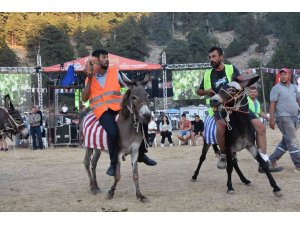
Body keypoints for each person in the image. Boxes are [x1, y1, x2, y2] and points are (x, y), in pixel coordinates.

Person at [82, 49, 156, 176]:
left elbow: (130, 85)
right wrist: (89, 78)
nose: (107, 59)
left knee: (142, 119)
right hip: (102, 111)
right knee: (113, 132)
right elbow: (84, 98)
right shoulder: (89, 78)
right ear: (95, 61)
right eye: (103, 57)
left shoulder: (115, 73)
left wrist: (140, 86)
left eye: (107, 57)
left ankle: (142, 153)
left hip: (118, 107)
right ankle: (113, 163)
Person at [197, 46, 248, 169]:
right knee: (221, 126)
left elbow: (240, 83)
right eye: (209, 57)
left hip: (233, 107)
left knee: (257, 125)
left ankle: (260, 154)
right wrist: (205, 92)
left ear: (221, 57)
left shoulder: (231, 68)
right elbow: (198, 91)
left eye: (214, 56)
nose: (211, 59)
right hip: (217, 108)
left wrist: (242, 81)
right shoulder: (208, 73)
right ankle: (223, 154)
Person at [268, 68, 300, 172]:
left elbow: (298, 100)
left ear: (289, 76)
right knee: (292, 140)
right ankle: (298, 164)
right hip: (283, 117)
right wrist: (271, 119)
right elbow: (272, 104)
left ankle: (271, 160)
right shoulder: (276, 88)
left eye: (285, 74)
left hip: (294, 117)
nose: (282, 76)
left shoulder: (294, 87)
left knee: (286, 142)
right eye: (281, 74)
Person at [247, 86, 281, 172]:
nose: (253, 93)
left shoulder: (257, 102)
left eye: (254, 92)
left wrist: (268, 117)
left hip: (255, 122)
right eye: (251, 92)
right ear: (248, 93)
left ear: (257, 93)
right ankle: (263, 157)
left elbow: (259, 112)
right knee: (261, 133)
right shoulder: (246, 100)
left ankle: (261, 158)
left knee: (259, 137)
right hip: (248, 123)